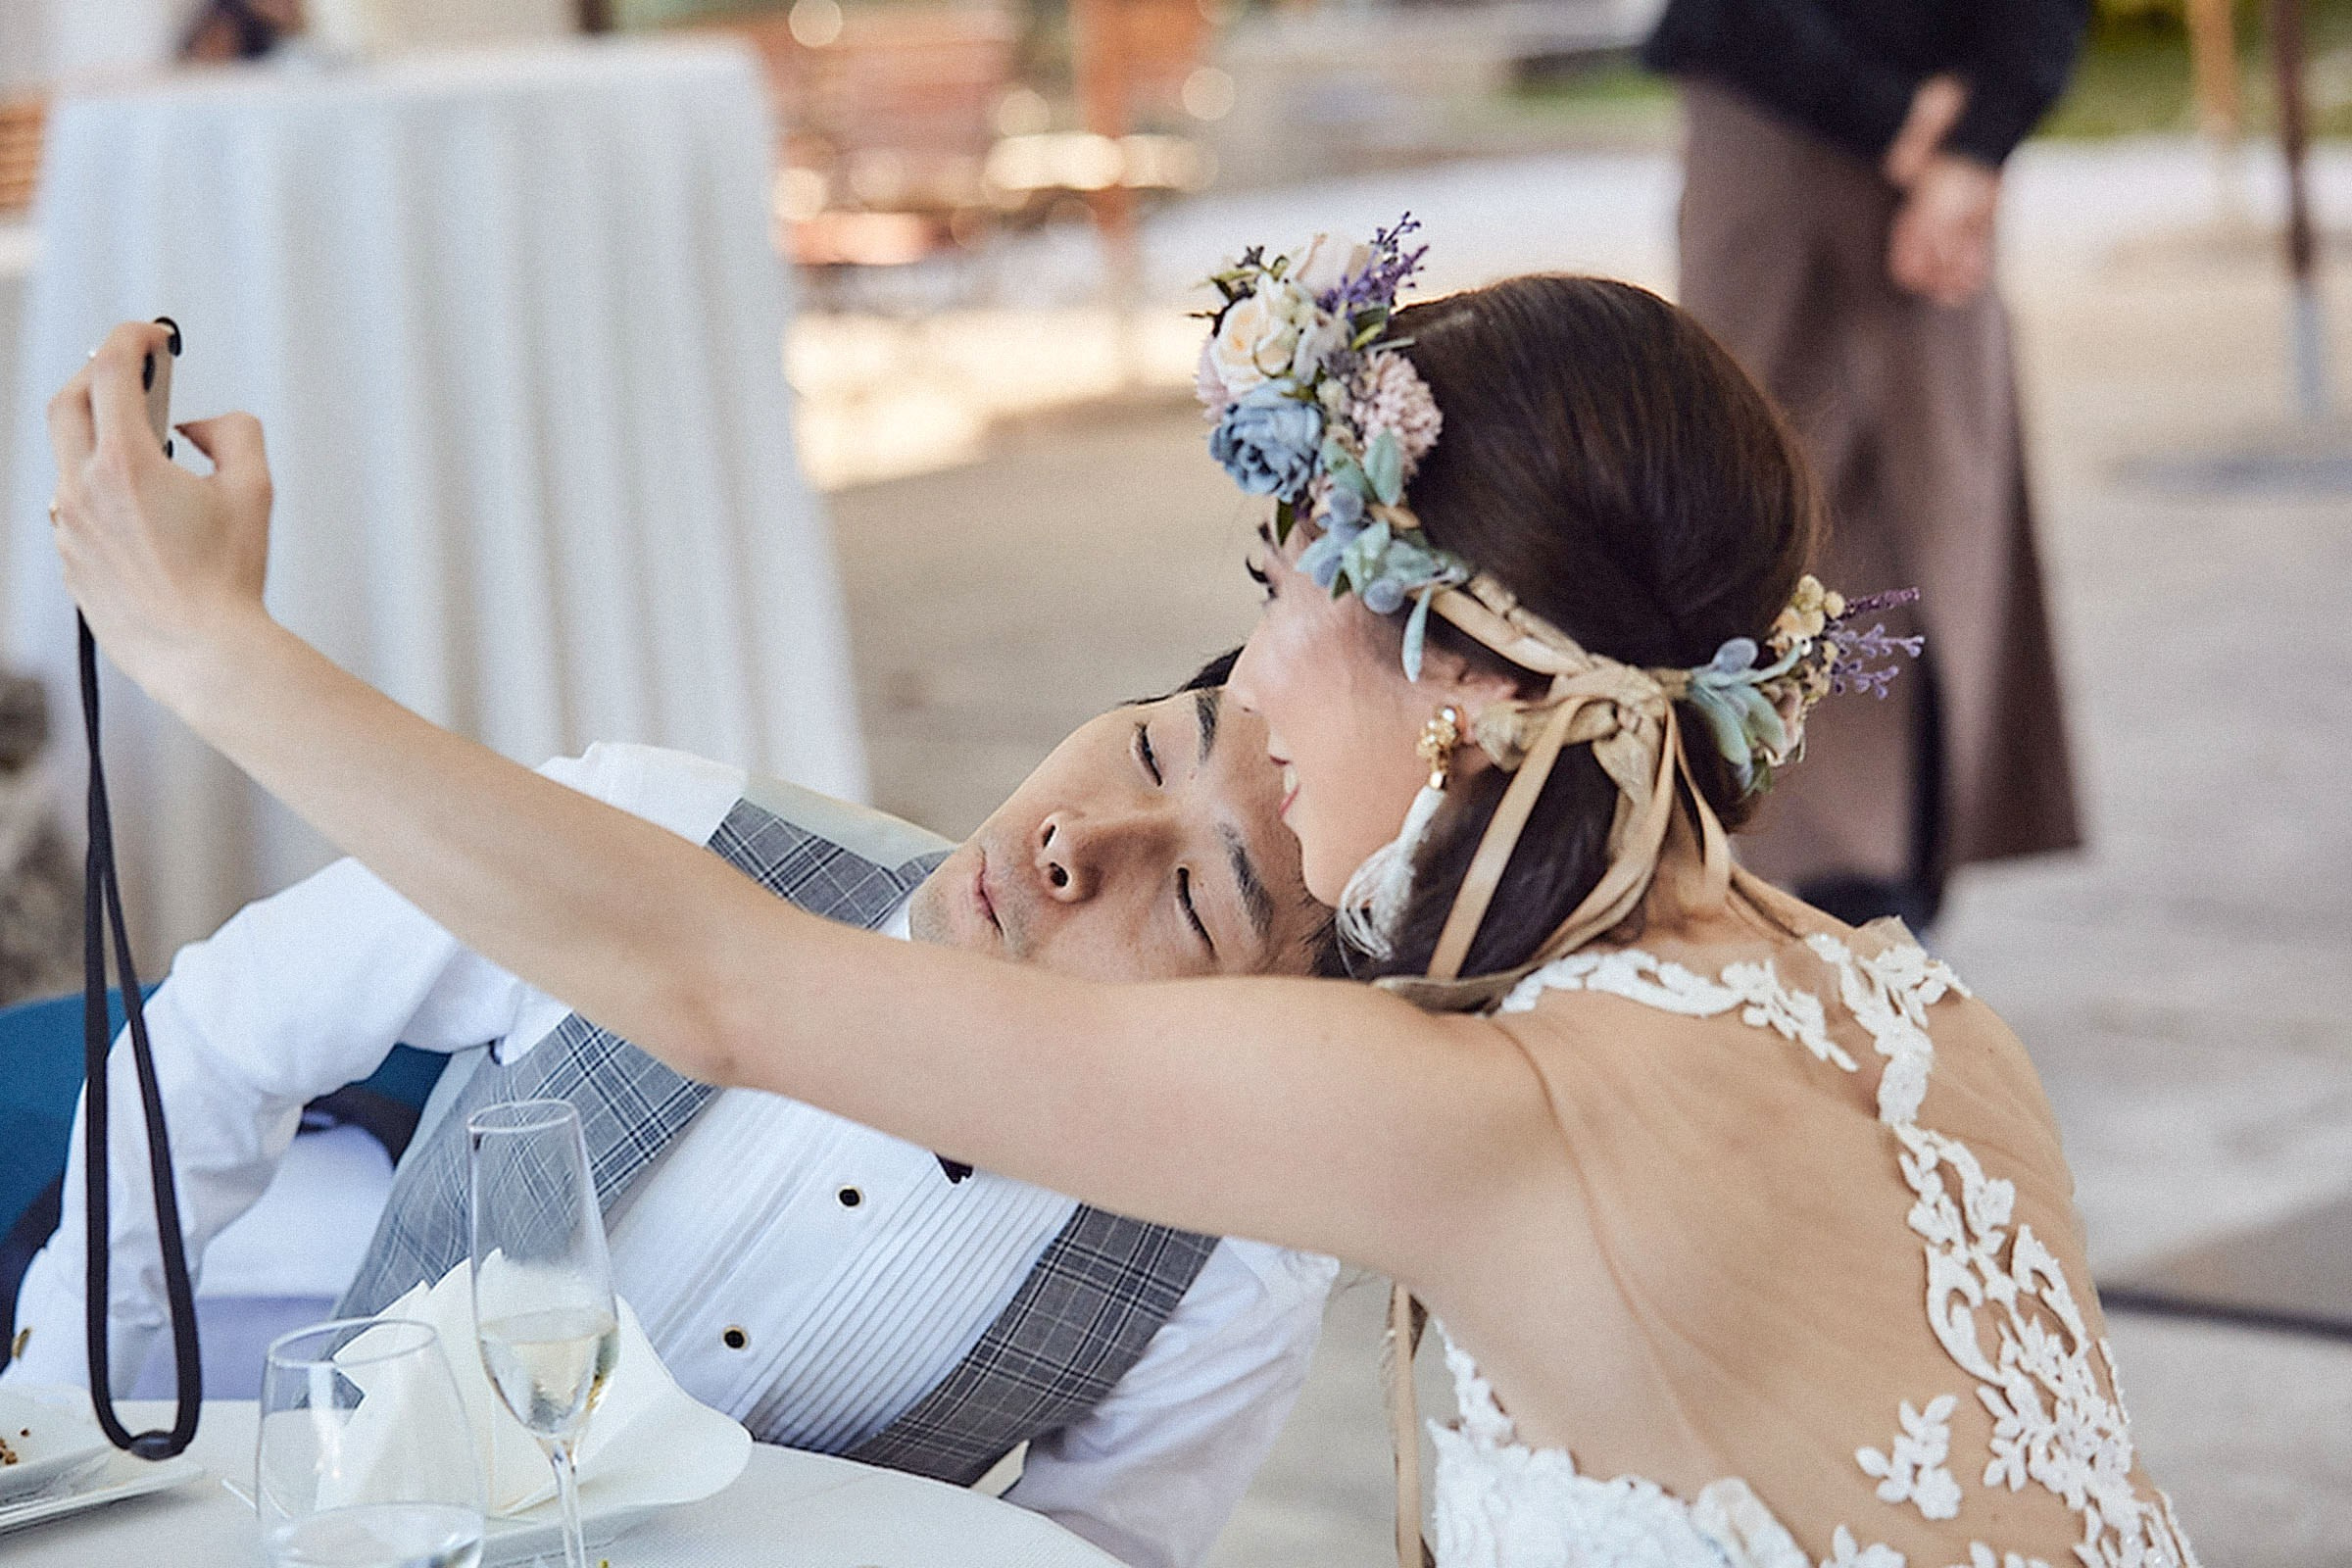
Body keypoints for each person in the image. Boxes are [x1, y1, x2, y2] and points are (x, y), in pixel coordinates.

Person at [46, 220, 2200, 1567]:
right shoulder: (1930, 1030)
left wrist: (209, 648)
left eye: (1285, 601)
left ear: (1466, 686)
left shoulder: (1475, 1106)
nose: (1247, 688)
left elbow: (723, 987)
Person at [4, 670, 1337, 1568]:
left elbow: (1077, 1555)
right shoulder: (659, 827)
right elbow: (228, 1029)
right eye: (1153, 746)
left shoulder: (1232, 1263)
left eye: (1192, 898)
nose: (1075, 838)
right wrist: (72, 1416)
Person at [1642, 0, 2089, 930]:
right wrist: (1894, 119)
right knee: (1765, 490)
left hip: (1941, 130)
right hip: (1771, 106)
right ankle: (1807, 866)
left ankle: (1903, 871)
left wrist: (1979, 137)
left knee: (1945, 497)